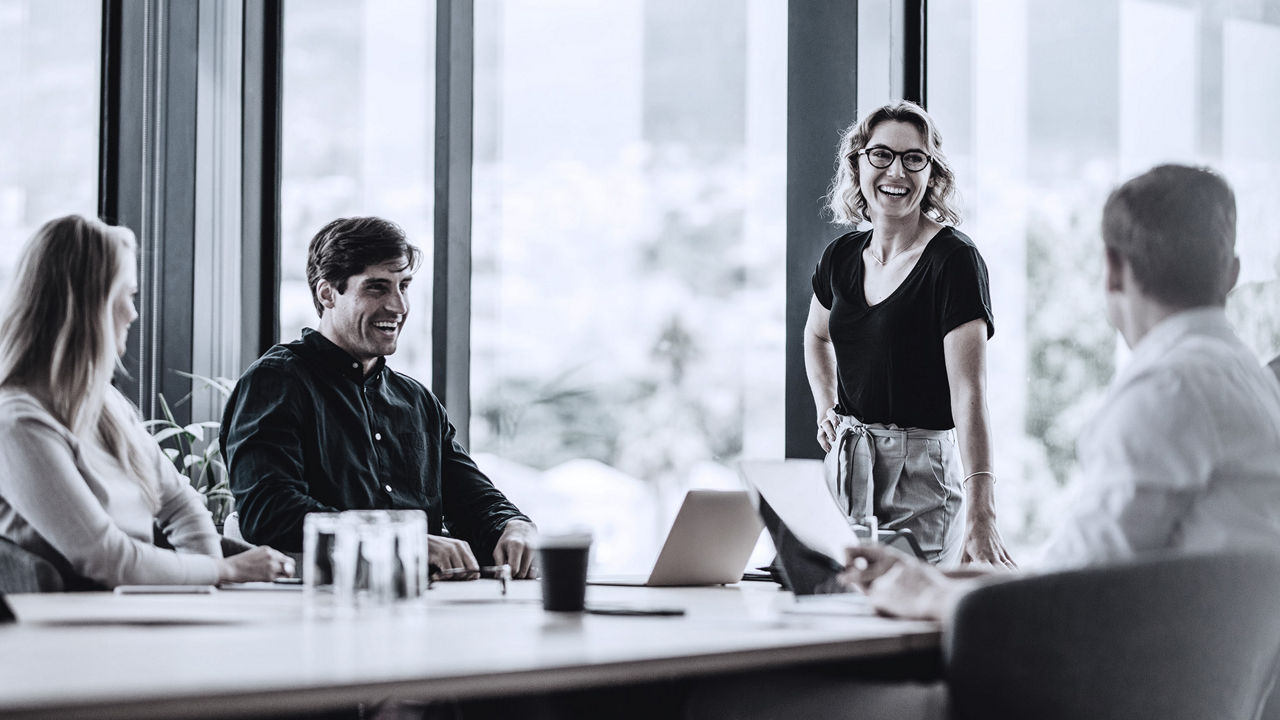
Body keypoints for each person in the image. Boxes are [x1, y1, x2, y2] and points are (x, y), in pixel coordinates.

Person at [843, 164, 1280, 621]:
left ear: (1112, 271)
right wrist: (935, 578)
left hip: (1121, 683)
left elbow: (1067, 598)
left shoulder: (1168, 391)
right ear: (1231, 274)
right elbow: (1075, 570)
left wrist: (927, 597)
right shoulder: (1254, 383)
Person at [220, 216, 537, 578]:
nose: (399, 306)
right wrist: (401, 540)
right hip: (318, 610)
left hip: (425, 607)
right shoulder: (276, 382)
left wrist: (514, 525)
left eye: (404, 286)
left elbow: (472, 498)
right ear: (327, 294)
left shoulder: (416, 400)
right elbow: (270, 512)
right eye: (377, 288)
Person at [0, 215, 293, 589]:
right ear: (91, 306)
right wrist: (225, 571)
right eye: (128, 295)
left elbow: (180, 503)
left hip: (130, 612)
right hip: (69, 630)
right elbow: (105, 558)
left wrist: (206, 583)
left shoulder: (105, 403)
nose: (134, 313)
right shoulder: (17, 422)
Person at [805, 100, 1011, 566]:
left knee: (908, 626)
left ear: (931, 172)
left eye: (913, 158)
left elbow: (970, 394)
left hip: (920, 476)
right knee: (840, 619)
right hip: (845, 468)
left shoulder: (954, 261)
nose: (895, 171)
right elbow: (816, 336)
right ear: (857, 163)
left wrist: (983, 512)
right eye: (881, 154)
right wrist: (825, 407)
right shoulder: (840, 257)